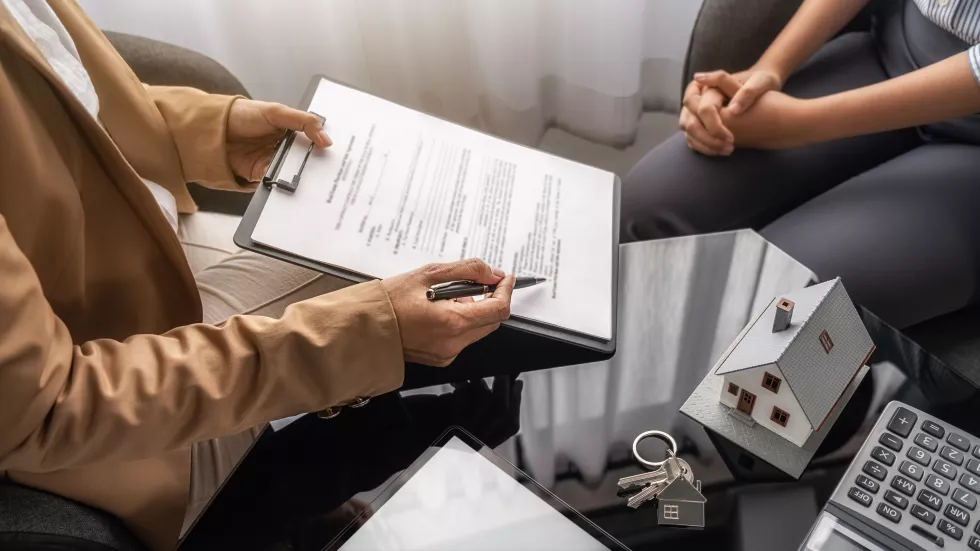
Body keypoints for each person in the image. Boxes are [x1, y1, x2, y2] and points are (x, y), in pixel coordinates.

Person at [0, 1, 515, 550]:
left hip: (106, 264)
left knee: (409, 251)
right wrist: (360, 335)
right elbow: (49, 406)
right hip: (104, 413)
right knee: (405, 284)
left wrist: (207, 132)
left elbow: (60, 93)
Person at [622, 0, 980, 329]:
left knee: (782, 306)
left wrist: (797, 125)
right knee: (643, 208)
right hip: (890, 54)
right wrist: (767, 71)